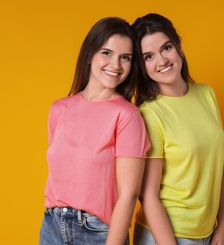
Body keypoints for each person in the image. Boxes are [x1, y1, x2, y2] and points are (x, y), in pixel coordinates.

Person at [39, 17, 151, 245]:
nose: (116, 65)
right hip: (51, 225)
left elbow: (129, 195)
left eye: (125, 58)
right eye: (107, 53)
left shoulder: (127, 116)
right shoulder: (59, 109)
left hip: (97, 231)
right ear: (90, 54)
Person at [131, 13, 224, 245]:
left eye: (166, 48)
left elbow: (220, 162)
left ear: (179, 47)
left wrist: (223, 224)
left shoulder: (206, 94)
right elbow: (148, 195)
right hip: (166, 235)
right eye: (149, 56)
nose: (162, 60)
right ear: (142, 66)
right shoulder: (150, 114)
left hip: (207, 231)